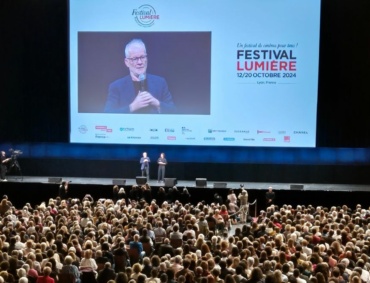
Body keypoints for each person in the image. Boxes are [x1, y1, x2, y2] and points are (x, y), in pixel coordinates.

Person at [104, 38, 176, 114]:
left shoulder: (160, 82)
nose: (140, 62)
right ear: (127, 62)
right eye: (135, 58)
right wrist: (132, 107)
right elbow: (107, 114)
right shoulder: (116, 86)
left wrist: (156, 103)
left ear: (146, 58)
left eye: (142, 57)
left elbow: (174, 112)